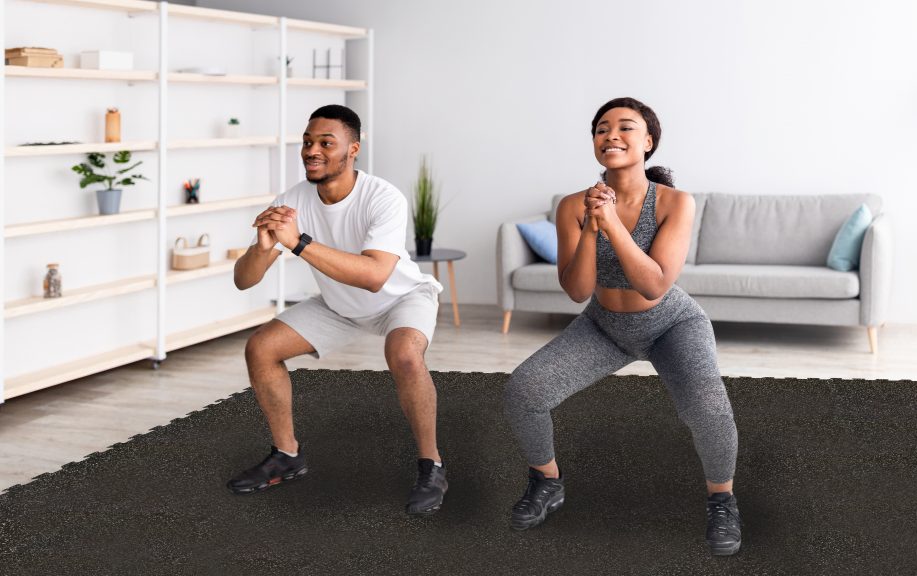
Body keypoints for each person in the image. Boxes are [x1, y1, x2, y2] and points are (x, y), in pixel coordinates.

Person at [503, 97, 742, 555]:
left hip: (672, 322)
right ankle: (548, 482)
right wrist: (592, 226)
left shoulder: (676, 202)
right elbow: (576, 290)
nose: (611, 134)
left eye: (625, 128)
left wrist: (612, 223)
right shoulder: (574, 205)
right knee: (523, 392)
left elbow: (654, 284)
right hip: (603, 325)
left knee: (709, 409)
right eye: (601, 128)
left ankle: (722, 500)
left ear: (648, 142)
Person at [227, 104, 448, 517]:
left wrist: (296, 243)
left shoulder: (383, 197)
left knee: (403, 354)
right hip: (339, 305)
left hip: (401, 297)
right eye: (308, 142)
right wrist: (261, 247)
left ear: (353, 150)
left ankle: (431, 465)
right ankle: (287, 455)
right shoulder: (293, 201)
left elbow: (376, 276)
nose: (313, 150)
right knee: (261, 348)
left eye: (326, 143)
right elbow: (244, 280)